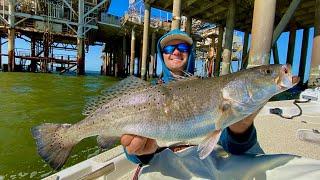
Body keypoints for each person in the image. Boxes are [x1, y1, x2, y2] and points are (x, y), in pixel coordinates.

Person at [120, 29, 258, 165]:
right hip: (163, 164)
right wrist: (142, 153)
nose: (175, 52)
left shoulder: (212, 88)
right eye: (168, 49)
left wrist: (242, 128)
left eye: (182, 47)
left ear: (190, 52)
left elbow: (234, 147)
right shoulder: (145, 94)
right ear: (162, 55)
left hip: (208, 164)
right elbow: (132, 156)